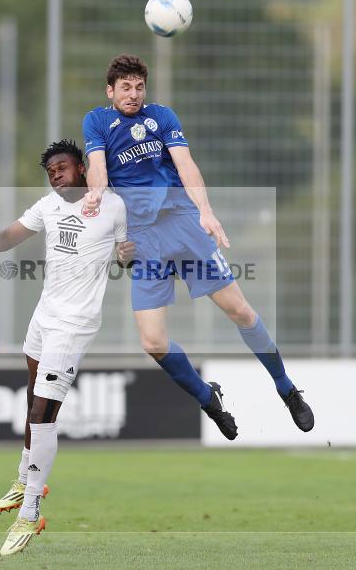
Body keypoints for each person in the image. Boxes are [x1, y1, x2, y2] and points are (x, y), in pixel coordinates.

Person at [82, 53, 314, 439]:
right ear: (110, 90)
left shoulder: (162, 117)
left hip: (181, 224)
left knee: (240, 311)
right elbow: (99, 167)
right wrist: (95, 194)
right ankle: (209, 399)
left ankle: (286, 388)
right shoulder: (97, 121)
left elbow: (186, 165)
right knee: (152, 341)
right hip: (144, 241)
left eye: (139, 86)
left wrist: (205, 210)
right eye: (125, 87)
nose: (134, 94)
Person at [0, 139, 127, 556]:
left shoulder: (113, 206)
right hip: (44, 317)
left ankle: (31, 509)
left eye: (62, 168)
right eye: (50, 171)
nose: (55, 175)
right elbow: (6, 239)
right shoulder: (47, 206)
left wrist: (128, 253)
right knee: (32, 402)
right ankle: (25, 479)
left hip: (74, 324)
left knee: (42, 413)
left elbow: (126, 257)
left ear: (82, 167)